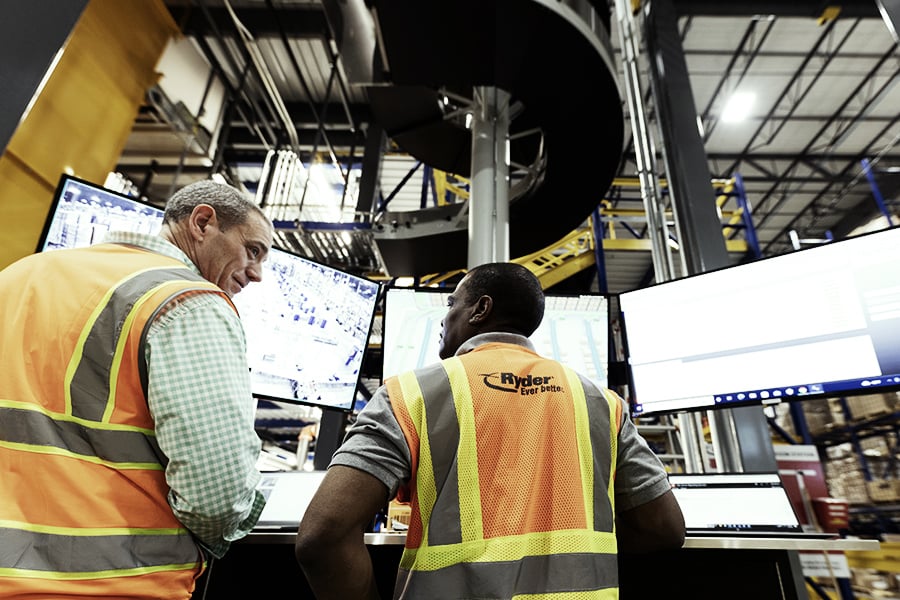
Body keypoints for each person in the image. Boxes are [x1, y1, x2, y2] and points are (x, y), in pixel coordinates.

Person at [295, 262, 685, 599]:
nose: (444, 319)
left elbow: (323, 537)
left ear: (481, 309)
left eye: (451, 305)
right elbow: (664, 529)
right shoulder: (602, 402)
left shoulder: (408, 395)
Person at [0, 180, 274, 599]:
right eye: (252, 250)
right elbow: (217, 496)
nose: (256, 273)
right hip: (110, 583)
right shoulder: (188, 301)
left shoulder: (20, 274)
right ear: (203, 223)